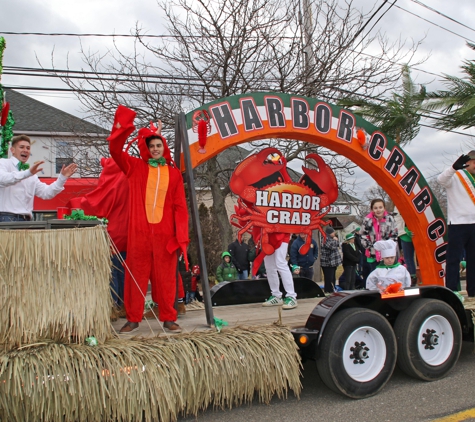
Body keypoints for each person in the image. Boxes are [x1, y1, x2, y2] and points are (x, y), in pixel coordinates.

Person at [108, 105, 189, 334]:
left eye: (158, 145)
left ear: (164, 148)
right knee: (135, 278)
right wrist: (124, 125)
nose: (155, 149)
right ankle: (133, 319)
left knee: (165, 280)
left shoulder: (173, 174)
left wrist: (181, 236)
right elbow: (115, 150)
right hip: (140, 235)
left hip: (165, 236)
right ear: (146, 148)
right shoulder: (135, 167)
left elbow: (180, 207)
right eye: (151, 145)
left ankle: (168, 318)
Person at [0, 134, 77, 221]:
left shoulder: (31, 175)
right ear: (12, 150)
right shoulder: (4, 163)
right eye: (21, 147)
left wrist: (62, 178)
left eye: (28, 148)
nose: (25, 150)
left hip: (26, 220)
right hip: (6, 217)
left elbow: (46, 193)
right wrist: (28, 173)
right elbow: (3, 179)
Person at [437, 151, 475, 296]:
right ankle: (451, 292)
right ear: (469, 162)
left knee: (473, 260)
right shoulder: (456, 176)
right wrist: (453, 168)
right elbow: (441, 180)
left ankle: (473, 292)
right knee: (453, 259)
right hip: (458, 224)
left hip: (474, 224)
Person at [360, 198, 398, 281]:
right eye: (375, 208)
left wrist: (388, 245)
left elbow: (394, 234)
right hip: (373, 253)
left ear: (384, 208)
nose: (378, 210)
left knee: (388, 277)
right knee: (376, 277)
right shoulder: (367, 220)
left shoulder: (390, 219)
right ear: (372, 209)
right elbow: (363, 235)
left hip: (387, 254)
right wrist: (370, 247)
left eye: (380, 207)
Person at [260, 232, 298, 309]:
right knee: (269, 266)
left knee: (280, 263)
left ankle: (291, 296)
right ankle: (276, 295)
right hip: (266, 235)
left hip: (282, 233)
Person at [394, 207, 417, 286]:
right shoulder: (397, 205)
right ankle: (412, 277)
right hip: (403, 232)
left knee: (408, 258)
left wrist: (407, 228)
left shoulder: (400, 203)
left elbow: (406, 214)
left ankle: (412, 278)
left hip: (405, 233)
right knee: (409, 258)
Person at [320, 226, 342, 293]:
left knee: (333, 277)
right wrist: (335, 240)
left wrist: (336, 241)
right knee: (328, 278)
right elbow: (332, 246)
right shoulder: (325, 238)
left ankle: (332, 289)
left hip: (333, 262)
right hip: (327, 263)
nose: (334, 233)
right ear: (329, 233)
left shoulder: (332, 239)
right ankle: (328, 290)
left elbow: (338, 245)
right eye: (333, 232)